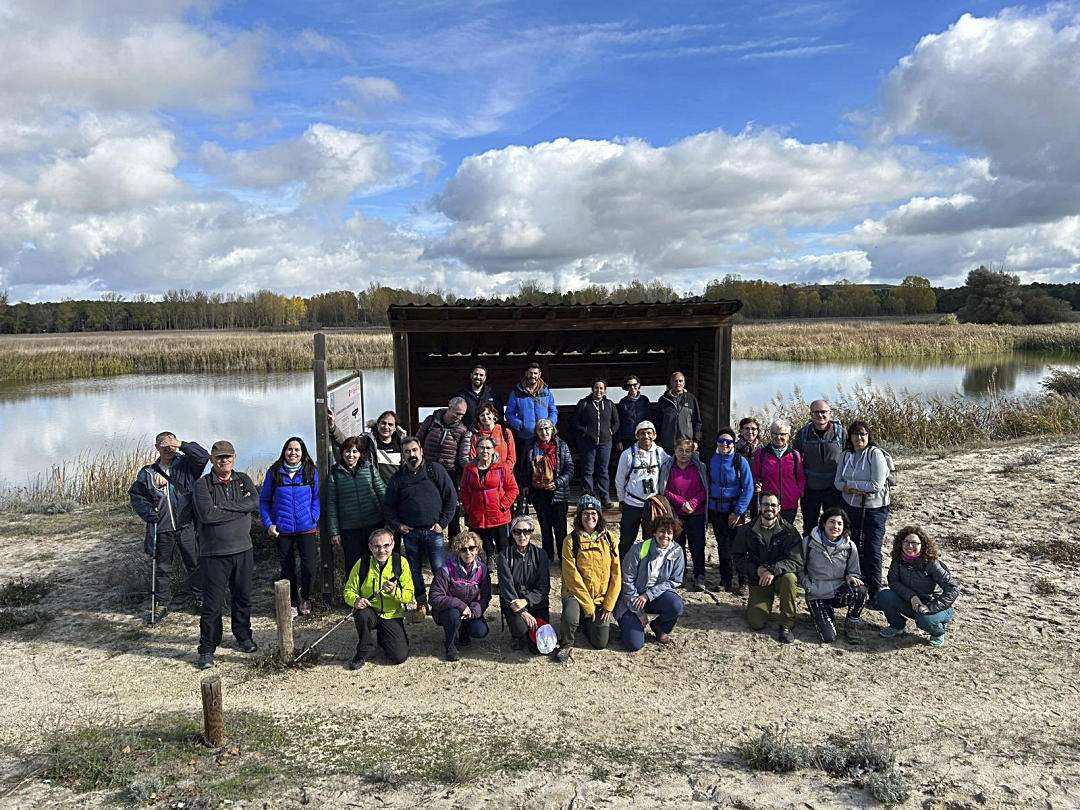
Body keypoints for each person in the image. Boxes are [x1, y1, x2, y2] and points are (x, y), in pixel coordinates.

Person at [192, 440, 260, 669]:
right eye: (220, 457)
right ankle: (207, 648)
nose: (224, 461)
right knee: (212, 603)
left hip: (243, 550)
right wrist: (239, 510)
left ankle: (243, 635)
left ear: (234, 458)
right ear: (212, 459)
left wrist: (224, 507)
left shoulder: (242, 479)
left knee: (242, 597)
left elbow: (255, 501)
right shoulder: (202, 485)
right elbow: (207, 515)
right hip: (214, 554)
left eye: (228, 457)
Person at [129, 431, 209, 619]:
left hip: (186, 525)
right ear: (156, 447)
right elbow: (137, 496)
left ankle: (200, 598)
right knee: (163, 567)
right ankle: (161, 603)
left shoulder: (186, 466)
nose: (167, 449)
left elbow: (203, 456)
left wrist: (180, 444)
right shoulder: (147, 473)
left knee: (195, 563)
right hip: (162, 528)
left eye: (170, 445)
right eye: (163, 446)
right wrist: (149, 513)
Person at [382, 437, 458, 621]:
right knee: (414, 570)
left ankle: (441, 603)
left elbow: (451, 497)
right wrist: (398, 525)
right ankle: (421, 603)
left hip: (434, 531)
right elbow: (388, 507)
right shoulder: (398, 478)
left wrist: (443, 523)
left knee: (439, 569)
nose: (412, 455)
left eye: (414, 450)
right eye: (407, 452)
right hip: (411, 533)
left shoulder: (435, 470)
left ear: (421, 451)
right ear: (403, 455)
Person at [554, 495, 621, 663]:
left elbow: (616, 573)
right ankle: (566, 643)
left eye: (593, 513)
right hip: (575, 593)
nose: (589, 517)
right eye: (585, 513)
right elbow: (571, 576)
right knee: (571, 617)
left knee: (600, 643)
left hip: (600, 596)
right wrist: (588, 605)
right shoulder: (571, 540)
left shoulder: (610, 538)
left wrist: (608, 605)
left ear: (599, 516)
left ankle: (586, 623)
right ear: (579, 516)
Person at [259, 437, 320, 619]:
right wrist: (269, 524)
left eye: (297, 450)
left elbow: (316, 498)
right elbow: (264, 501)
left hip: (306, 528)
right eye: (289, 449)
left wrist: (313, 517)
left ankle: (306, 597)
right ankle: (292, 602)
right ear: (284, 451)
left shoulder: (310, 471)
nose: (293, 453)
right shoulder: (274, 472)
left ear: (302, 452)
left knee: (309, 567)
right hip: (282, 530)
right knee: (287, 569)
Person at [732, 491, 803, 644]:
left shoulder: (790, 531)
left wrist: (773, 570)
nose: (769, 508)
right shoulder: (746, 530)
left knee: (790, 578)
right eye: (765, 504)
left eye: (773, 505)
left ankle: (786, 623)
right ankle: (764, 603)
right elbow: (737, 557)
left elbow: (797, 560)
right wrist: (755, 570)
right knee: (756, 623)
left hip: (780, 578)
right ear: (759, 506)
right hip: (759, 579)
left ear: (779, 508)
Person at [834, 420, 891, 605]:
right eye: (855, 434)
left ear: (868, 436)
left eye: (863, 434)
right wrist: (855, 488)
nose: (859, 438)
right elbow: (837, 482)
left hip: (875, 509)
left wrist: (850, 486)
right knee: (853, 545)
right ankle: (856, 584)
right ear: (849, 437)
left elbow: (876, 485)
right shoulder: (846, 455)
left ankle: (875, 592)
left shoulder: (875, 454)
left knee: (872, 548)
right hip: (851, 507)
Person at [343, 528, 414, 669]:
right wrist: (356, 600)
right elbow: (348, 591)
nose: (382, 550)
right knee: (361, 613)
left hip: (391, 615)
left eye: (386, 545)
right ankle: (364, 650)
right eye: (377, 546)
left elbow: (409, 596)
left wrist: (394, 592)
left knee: (399, 656)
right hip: (370, 612)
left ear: (393, 545)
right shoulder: (362, 563)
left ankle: (383, 637)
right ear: (370, 547)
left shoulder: (401, 563)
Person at [615, 514, 686, 651]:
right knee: (634, 645)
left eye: (669, 533)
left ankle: (659, 627)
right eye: (661, 531)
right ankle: (629, 623)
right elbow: (626, 580)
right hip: (630, 599)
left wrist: (648, 595)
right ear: (654, 532)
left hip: (652, 597)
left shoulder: (677, 551)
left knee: (676, 605)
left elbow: (674, 580)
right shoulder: (639, 549)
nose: (665, 536)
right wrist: (639, 612)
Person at [878, 526, 958, 647]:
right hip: (912, 603)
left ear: (923, 545)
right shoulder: (898, 559)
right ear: (901, 543)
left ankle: (938, 632)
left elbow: (953, 589)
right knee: (884, 595)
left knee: (924, 620)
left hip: (935, 606)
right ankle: (897, 626)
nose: (910, 546)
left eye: (914, 543)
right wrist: (912, 596)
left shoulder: (931, 563)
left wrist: (930, 607)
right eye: (906, 542)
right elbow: (893, 581)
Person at [800, 507, 866, 644]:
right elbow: (799, 568)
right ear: (824, 523)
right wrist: (808, 586)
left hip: (838, 591)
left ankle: (852, 623)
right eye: (832, 522)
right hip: (817, 593)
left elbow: (854, 570)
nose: (835, 526)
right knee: (828, 637)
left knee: (861, 590)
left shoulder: (849, 546)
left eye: (839, 523)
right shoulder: (809, 542)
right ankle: (821, 615)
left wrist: (851, 576)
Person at [327, 434, 386, 582]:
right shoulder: (335, 474)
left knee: (376, 561)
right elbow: (332, 505)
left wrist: (389, 521)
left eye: (354, 451)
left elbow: (382, 493)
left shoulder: (370, 468)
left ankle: (377, 595)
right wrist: (334, 531)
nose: (351, 455)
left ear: (360, 453)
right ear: (342, 453)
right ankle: (354, 597)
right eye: (347, 451)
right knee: (354, 564)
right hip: (349, 528)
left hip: (373, 523)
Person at [429, 529, 492, 661]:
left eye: (471, 548)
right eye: (463, 549)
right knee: (453, 615)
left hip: (470, 609)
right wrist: (460, 605)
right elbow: (434, 596)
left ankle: (463, 631)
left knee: (480, 631)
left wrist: (475, 611)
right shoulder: (446, 569)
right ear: (458, 551)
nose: (468, 552)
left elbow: (485, 595)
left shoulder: (482, 569)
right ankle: (450, 645)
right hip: (448, 610)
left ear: (477, 549)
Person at [505, 362, 558, 514]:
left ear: (539, 374)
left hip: (543, 437)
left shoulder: (546, 392)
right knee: (525, 466)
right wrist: (520, 425)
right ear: (526, 374)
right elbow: (509, 414)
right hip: (525, 436)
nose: (533, 376)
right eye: (530, 373)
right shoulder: (517, 391)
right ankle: (523, 498)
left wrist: (550, 424)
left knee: (545, 465)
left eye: (536, 373)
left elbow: (553, 410)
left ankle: (544, 492)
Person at [707, 427, 754, 595]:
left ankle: (743, 582)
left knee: (739, 546)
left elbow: (748, 488)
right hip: (716, 510)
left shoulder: (740, 461)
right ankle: (725, 580)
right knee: (723, 546)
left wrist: (738, 511)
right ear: (717, 443)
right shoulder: (712, 459)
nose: (725, 444)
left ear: (733, 443)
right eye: (721, 441)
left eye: (728, 442)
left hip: (735, 510)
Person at [416, 397, 471, 538]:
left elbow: (462, 458)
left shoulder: (463, 431)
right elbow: (418, 440)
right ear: (449, 407)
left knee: (452, 505)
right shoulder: (431, 421)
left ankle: (454, 540)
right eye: (457, 413)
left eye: (462, 415)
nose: (459, 417)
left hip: (449, 472)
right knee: (427, 503)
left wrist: (470, 469)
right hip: (427, 469)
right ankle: (427, 539)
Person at [658, 438, 708, 591]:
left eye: (687, 451)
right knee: (678, 545)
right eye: (681, 450)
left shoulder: (700, 467)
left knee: (697, 545)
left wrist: (692, 503)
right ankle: (680, 574)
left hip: (696, 512)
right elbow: (664, 490)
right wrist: (681, 503)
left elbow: (705, 489)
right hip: (676, 514)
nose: (684, 454)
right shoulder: (668, 467)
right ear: (675, 451)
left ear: (692, 452)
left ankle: (699, 575)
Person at [459, 436, 519, 561]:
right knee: (482, 548)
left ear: (493, 450)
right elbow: (464, 489)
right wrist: (468, 507)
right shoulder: (469, 468)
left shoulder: (502, 467)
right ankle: (487, 567)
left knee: (503, 548)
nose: (484, 451)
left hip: (498, 515)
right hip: (477, 515)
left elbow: (513, 489)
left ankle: (505, 572)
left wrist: (502, 505)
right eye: (481, 447)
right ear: (477, 449)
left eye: (488, 448)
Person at [614, 421, 670, 556]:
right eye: (642, 433)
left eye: (649, 433)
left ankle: (646, 565)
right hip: (632, 503)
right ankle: (622, 567)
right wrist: (621, 500)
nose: (646, 436)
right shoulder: (627, 454)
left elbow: (672, 466)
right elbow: (619, 479)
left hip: (652, 504)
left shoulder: (660, 453)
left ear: (654, 435)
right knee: (627, 539)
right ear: (637, 436)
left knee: (650, 538)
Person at [793, 400, 847, 537]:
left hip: (834, 489)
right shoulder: (802, 434)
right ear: (811, 414)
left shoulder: (841, 433)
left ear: (830, 413)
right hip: (810, 489)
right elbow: (794, 461)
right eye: (816, 412)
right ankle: (809, 554)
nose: (820, 415)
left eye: (823, 412)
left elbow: (850, 457)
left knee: (834, 526)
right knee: (809, 526)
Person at [497, 515, 551, 651]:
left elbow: (544, 587)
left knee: (538, 647)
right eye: (517, 532)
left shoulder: (541, 554)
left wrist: (526, 601)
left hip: (536, 602)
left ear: (531, 533)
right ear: (512, 534)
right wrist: (522, 611)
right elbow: (507, 588)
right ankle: (519, 635)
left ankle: (530, 635)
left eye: (526, 531)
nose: (522, 535)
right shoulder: (504, 556)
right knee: (521, 629)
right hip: (514, 604)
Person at [527, 418, 573, 562]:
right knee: (545, 528)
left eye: (547, 428)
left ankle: (563, 558)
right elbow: (525, 470)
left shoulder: (562, 446)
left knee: (561, 529)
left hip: (558, 493)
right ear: (536, 432)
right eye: (540, 429)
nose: (544, 432)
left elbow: (569, 468)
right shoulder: (531, 447)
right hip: (539, 494)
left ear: (553, 430)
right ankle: (547, 558)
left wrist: (558, 483)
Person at [573, 379, 620, 507]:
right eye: (596, 388)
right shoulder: (584, 404)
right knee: (588, 471)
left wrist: (611, 432)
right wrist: (586, 432)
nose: (598, 391)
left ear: (605, 390)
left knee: (603, 471)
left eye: (601, 388)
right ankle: (588, 498)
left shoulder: (609, 404)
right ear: (592, 389)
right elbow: (575, 422)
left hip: (605, 443)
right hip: (588, 443)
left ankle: (605, 498)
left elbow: (616, 422)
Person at [751, 419, 805, 525]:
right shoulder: (761, 453)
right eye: (775, 433)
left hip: (789, 504)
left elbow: (800, 478)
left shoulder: (795, 455)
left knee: (786, 534)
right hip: (768, 505)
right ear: (770, 434)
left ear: (788, 435)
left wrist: (797, 494)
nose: (778, 437)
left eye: (782, 434)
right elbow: (755, 476)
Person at [653, 372, 701, 455]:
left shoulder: (691, 399)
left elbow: (697, 421)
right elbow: (658, 422)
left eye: (680, 381)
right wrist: (658, 441)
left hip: (686, 445)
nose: (678, 383)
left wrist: (696, 440)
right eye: (675, 381)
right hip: (668, 445)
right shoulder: (663, 400)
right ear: (671, 383)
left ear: (684, 383)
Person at [467, 403, 516, 470]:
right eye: (482, 415)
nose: (485, 417)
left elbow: (512, 456)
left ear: (493, 415)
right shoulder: (476, 436)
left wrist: (505, 471)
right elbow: (473, 458)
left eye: (488, 414)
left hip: (504, 473)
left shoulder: (505, 432)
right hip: (484, 475)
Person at [456, 364, 504, 431]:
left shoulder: (493, 394)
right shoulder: (462, 394)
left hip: (489, 434)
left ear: (485, 377)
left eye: (481, 375)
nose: (478, 377)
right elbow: (457, 415)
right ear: (471, 375)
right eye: (476, 374)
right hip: (468, 434)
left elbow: (499, 415)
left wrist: (497, 431)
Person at [735, 417, 763, 520]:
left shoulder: (764, 450)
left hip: (758, 491)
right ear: (741, 431)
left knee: (757, 522)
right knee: (738, 523)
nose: (750, 432)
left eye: (753, 429)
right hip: (739, 491)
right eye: (747, 428)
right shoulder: (734, 449)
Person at [616, 375, 651, 453]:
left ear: (638, 385)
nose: (632, 387)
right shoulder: (623, 402)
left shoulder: (645, 400)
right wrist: (618, 440)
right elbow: (619, 422)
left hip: (643, 437)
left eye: (634, 385)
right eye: (629, 385)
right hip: (627, 439)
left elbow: (650, 419)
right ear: (626, 387)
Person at [369, 410, 406, 484]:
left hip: (396, 491)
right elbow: (349, 443)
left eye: (390, 424)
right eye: (383, 423)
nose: (386, 427)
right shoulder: (368, 441)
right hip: (375, 491)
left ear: (395, 428)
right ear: (377, 424)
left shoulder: (402, 445)